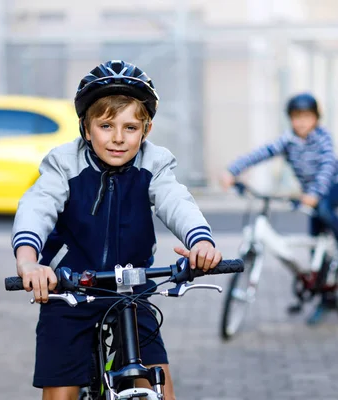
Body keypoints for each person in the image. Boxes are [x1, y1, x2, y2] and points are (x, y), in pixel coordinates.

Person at [12, 60, 222, 400]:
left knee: (159, 387)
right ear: (86, 127)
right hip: (69, 287)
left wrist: (201, 242)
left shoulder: (155, 163)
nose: (118, 139)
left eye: (130, 128)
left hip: (132, 288)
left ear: (147, 130)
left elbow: (176, 201)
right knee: (60, 393)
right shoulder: (64, 163)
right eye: (106, 125)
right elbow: (37, 206)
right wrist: (28, 262)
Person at [219, 92, 338, 325]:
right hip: (311, 194)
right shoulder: (288, 140)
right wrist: (233, 170)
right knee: (316, 250)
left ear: (316, 119)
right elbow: (262, 153)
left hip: (336, 186)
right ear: (290, 119)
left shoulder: (323, 139)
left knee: (323, 209)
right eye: (296, 117)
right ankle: (324, 297)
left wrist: (314, 193)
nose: (301, 122)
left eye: (307, 117)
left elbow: (327, 167)